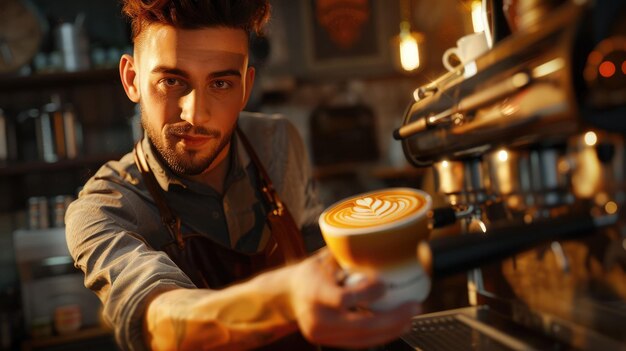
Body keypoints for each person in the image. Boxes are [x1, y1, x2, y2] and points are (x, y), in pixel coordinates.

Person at [65, 1, 422, 350]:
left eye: (220, 84)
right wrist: (285, 298)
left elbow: (309, 233)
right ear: (132, 80)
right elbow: (158, 321)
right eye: (172, 81)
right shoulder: (104, 208)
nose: (196, 114)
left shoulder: (278, 141)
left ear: (246, 88)